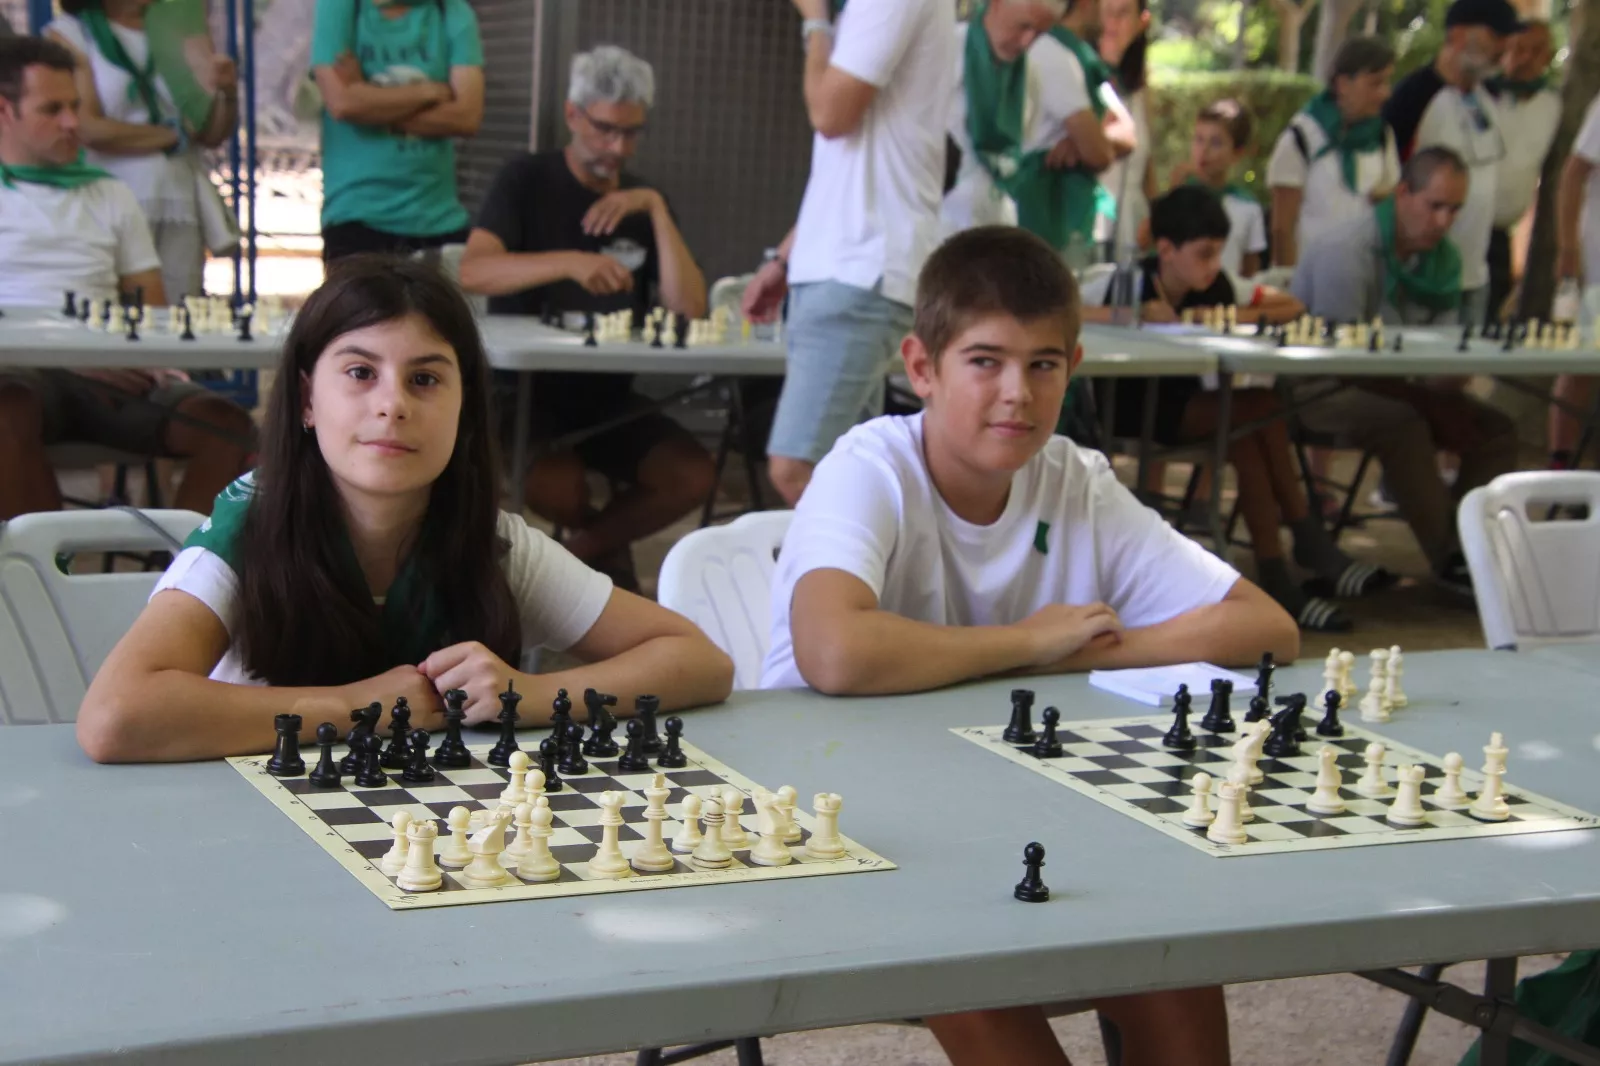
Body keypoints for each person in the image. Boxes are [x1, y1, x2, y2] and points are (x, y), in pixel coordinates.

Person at [762, 225, 1292, 1065]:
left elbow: (1265, 626)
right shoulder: (867, 468)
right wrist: (1024, 642)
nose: (1017, 391)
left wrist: (1082, 655)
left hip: (1017, 807)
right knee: (967, 965)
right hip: (851, 828)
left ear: (1072, 368)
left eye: (1043, 363)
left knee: (1173, 955)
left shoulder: (1075, 479)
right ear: (921, 367)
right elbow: (835, 652)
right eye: (985, 360)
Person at [76, 256, 735, 763]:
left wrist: (530, 695)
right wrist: (349, 706)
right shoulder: (249, 528)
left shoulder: (496, 545)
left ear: (465, 410)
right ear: (307, 400)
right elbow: (115, 715)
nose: (393, 404)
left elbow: (700, 660)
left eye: (425, 379)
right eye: (360, 372)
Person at [458, 46, 713, 590]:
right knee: (559, 487)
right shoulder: (525, 180)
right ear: (573, 116)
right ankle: (605, 566)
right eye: (604, 130)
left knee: (691, 473)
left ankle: (578, 556)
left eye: (631, 133)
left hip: (609, 400)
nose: (617, 147)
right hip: (521, 393)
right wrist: (570, 263)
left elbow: (690, 309)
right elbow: (474, 272)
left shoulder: (643, 201)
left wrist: (658, 211)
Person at [1082, 186, 1381, 630]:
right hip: (1124, 414)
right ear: (1165, 250)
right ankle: (1302, 542)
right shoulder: (1122, 281)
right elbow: (1064, 306)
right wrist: (1133, 314)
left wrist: (1209, 316)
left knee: (1250, 425)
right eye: (1204, 254)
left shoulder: (1218, 286)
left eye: (1218, 253)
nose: (1213, 266)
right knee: (1255, 409)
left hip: (1190, 409)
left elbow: (1292, 305)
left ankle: (1279, 571)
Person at [0, 36, 253, 521]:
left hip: (108, 376)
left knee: (229, 427)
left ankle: (178, 581)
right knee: (6, 406)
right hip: (22, 379)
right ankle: (46, 580)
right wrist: (73, 359)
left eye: (75, 106)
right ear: (5, 112)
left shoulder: (110, 195)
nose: (73, 122)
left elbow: (151, 314)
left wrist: (126, 356)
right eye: (51, 109)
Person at [741, 0, 955, 506]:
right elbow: (848, 164)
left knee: (798, 469)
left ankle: (894, 582)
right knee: (852, 470)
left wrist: (814, 20)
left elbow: (830, 113)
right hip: (853, 269)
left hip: (861, 272)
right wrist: (785, 260)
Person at [1291, 147, 1518, 590]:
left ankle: (1473, 551)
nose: (1444, 221)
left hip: (1398, 387)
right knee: (1405, 422)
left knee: (1495, 428)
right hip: (1314, 389)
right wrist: (1432, 403)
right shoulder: (1349, 250)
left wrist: (1449, 389)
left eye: (1454, 209)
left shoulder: (1443, 260)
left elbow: (1438, 355)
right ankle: (1454, 559)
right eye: (1435, 205)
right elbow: (1343, 364)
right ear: (1402, 195)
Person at [46, 0, 239, 301]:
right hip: (110, 201)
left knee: (176, 317)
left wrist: (227, 91)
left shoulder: (177, 28)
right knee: (113, 315)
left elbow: (208, 132)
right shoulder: (73, 33)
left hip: (178, 201)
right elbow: (88, 127)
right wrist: (172, 137)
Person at [942, 0, 1121, 260]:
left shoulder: (1031, 76)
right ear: (997, 4)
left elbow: (1021, 151)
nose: (1027, 42)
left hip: (995, 230)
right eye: (1023, 26)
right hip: (941, 229)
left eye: (1039, 33)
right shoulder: (949, 53)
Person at [310, 0, 483, 263]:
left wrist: (371, 101)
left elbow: (466, 117)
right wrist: (433, 92)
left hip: (440, 219)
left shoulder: (451, 11)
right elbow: (343, 103)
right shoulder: (342, 7)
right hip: (357, 217)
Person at [1383, 0, 1521, 329]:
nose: (1505, 47)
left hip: (1476, 274)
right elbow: (1385, 178)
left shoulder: (1491, 97)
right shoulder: (1414, 97)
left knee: (1464, 373)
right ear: (1458, 35)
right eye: (1496, 35)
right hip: (1422, 277)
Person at [1267, 35, 1399, 269]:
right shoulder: (1301, 138)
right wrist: (1290, 287)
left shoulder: (1381, 136)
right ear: (1342, 84)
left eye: (1387, 82)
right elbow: (1282, 228)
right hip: (1311, 280)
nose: (1385, 94)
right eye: (1375, 83)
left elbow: (1392, 197)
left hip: (1364, 279)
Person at [1485, 20, 1559, 324]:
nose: (1525, 58)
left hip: (1502, 234)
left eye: (1536, 51)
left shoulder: (1553, 105)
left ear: (1549, 57)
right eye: (1518, 49)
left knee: (1490, 318)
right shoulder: (1481, 96)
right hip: (1458, 227)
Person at [1549, 93, 1600, 470]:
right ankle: (1559, 464)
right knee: (1580, 363)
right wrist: (1568, 248)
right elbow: (1573, 173)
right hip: (1595, 261)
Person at [1169, 99, 1266, 276]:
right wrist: (1174, 195)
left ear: (1237, 153)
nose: (1203, 151)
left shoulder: (1247, 206)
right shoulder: (1181, 195)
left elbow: (1249, 270)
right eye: (1198, 140)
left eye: (1215, 143)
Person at [1096, 0, 1154, 260]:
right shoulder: (1078, 76)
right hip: (1092, 227)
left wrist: (1157, 220)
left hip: (1133, 231)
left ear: (1142, 22)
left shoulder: (1139, 88)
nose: (1111, 24)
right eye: (1105, 12)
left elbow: (1147, 169)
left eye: (1122, 14)